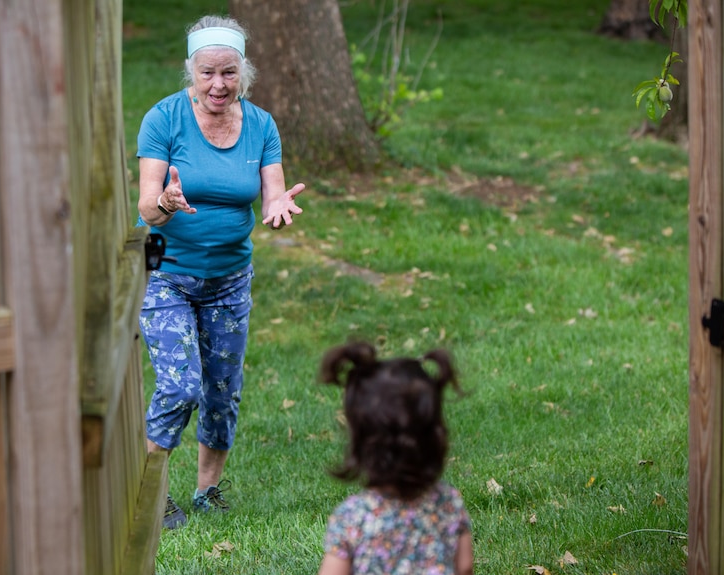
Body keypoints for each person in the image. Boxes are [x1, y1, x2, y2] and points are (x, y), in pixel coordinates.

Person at [136, 15, 305, 529]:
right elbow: (146, 209)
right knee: (179, 384)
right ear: (192, 71)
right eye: (207, 72)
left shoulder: (261, 125)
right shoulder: (163, 119)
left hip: (230, 277)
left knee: (221, 389)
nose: (218, 85)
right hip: (164, 268)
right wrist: (166, 200)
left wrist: (278, 207)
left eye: (228, 73)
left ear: (243, 73)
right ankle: (150, 494)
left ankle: (208, 491)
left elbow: (272, 189)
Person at [316, 341, 474, 575]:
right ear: (434, 438)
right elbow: (465, 566)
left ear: (360, 443)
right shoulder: (448, 503)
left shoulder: (352, 517)